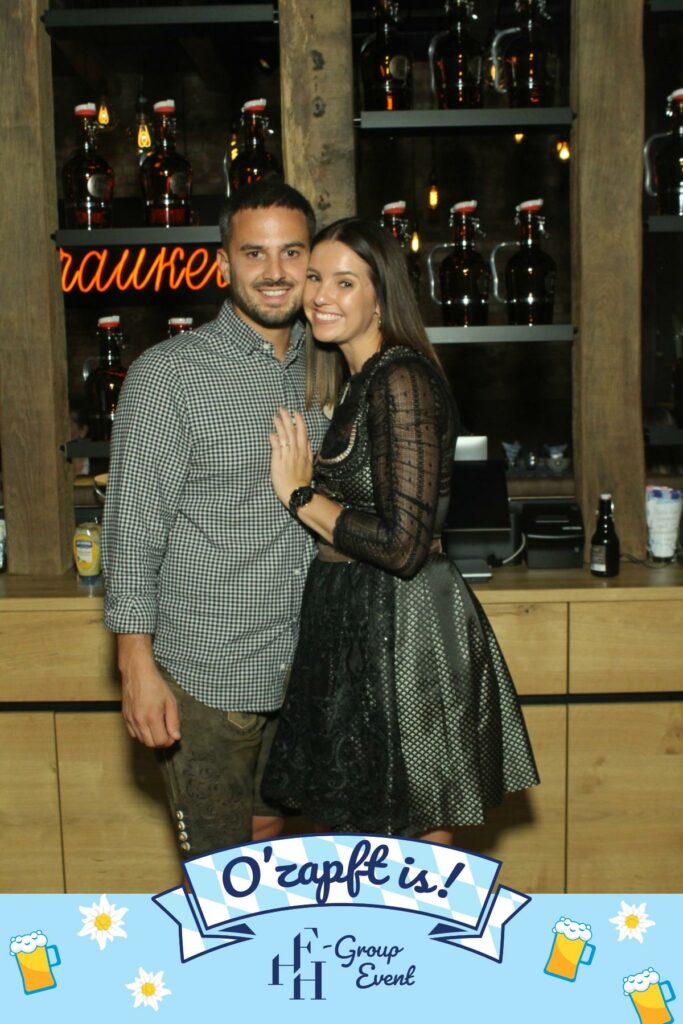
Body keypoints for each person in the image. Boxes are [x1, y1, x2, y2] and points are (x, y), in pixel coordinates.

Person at [262, 217, 539, 843]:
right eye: (315, 278)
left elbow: (403, 545)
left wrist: (300, 495)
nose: (321, 295)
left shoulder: (400, 379)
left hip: (403, 623)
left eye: (344, 282)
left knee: (414, 829)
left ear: (381, 297)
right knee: (353, 831)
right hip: (357, 614)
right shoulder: (361, 380)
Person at [101, 178, 329, 861]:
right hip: (206, 671)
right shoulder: (168, 375)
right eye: (255, 253)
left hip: (305, 668)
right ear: (223, 262)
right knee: (218, 869)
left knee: (276, 846)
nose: (274, 271)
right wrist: (135, 666)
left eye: (292, 253)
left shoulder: (329, 367)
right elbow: (132, 530)